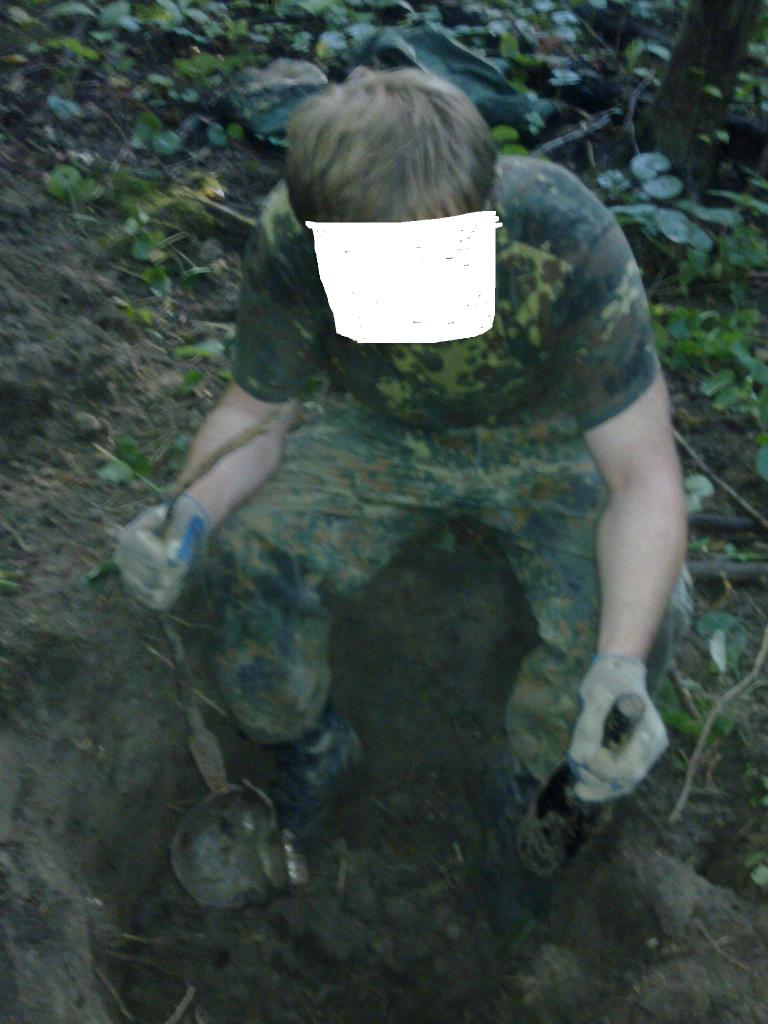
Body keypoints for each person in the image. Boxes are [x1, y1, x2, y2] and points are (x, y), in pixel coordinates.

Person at [116, 67, 691, 922]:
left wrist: (618, 667)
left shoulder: (562, 236)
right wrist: (187, 514)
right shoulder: (295, 240)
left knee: (645, 614)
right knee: (243, 550)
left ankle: (537, 791)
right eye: (387, 270)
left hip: (545, 442)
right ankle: (310, 746)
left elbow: (642, 475)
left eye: (443, 256)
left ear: (484, 212)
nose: (421, 292)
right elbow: (255, 413)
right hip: (381, 434)